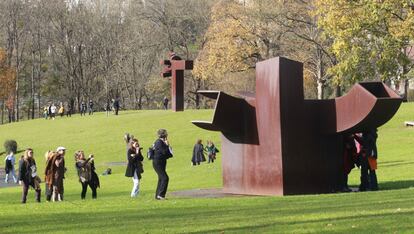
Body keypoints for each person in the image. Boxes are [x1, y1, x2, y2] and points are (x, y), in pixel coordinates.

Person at [152, 129, 173, 200]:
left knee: (161, 178)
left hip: (160, 162)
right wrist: (167, 145)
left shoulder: (160, 142)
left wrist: (167, 147)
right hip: (158, 163)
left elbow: (167, 155)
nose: (167, 134)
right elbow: (164, 152)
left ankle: (158, 195)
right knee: (165, 178)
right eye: (166, 133)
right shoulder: (159, 142)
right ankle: (161, 195)